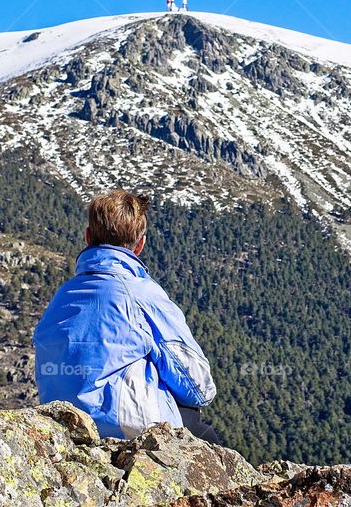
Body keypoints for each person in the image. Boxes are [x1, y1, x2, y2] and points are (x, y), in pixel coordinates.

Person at [33, 190, 219, 443]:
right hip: (122, 427)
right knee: (199, 431)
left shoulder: (62, 295)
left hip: (63, 426)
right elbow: (198, 387)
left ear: (88, 237)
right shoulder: (141, 293)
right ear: (140, 245)